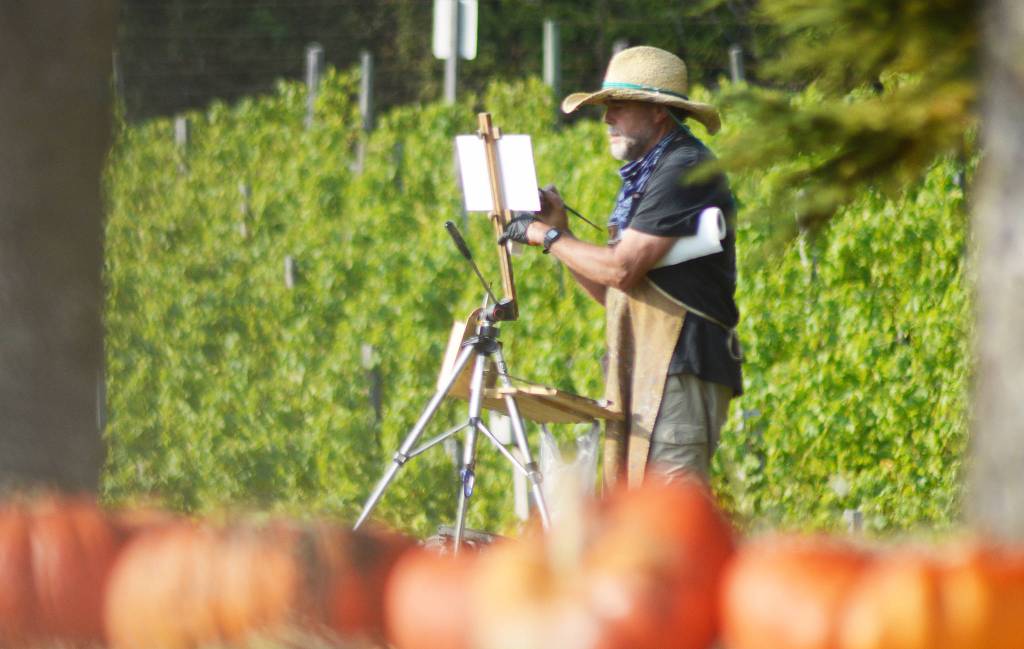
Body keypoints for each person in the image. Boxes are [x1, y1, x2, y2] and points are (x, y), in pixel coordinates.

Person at [500, 45, 742, 488]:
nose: (607, 118)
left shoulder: (684, 167)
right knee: (634, 519)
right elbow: (614, 295)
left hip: (682, 368)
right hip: (648, 365)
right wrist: (560, 231)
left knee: (670, 525)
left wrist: (547, 237)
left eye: (618, 106)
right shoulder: (645, 173)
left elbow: (621, 270)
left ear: (658, 113)